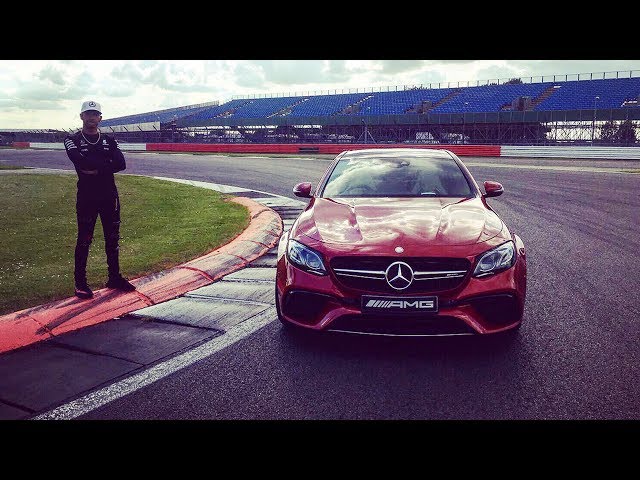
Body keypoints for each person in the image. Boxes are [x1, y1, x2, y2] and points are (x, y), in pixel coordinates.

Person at [64, 100, 136, 299]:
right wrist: (105, 164)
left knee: (112, 238)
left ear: (100, 118)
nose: (92, 117)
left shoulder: (110, 140)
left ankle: (114, 277)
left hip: (109, 195)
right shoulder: (72, 139)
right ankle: (80, 283)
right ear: (81, 117)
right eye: (88, 114)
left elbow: (121, 163)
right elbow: (81, 162)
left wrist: (96, 169)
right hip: (87, 197)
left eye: (95, 114)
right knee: (84, 239)